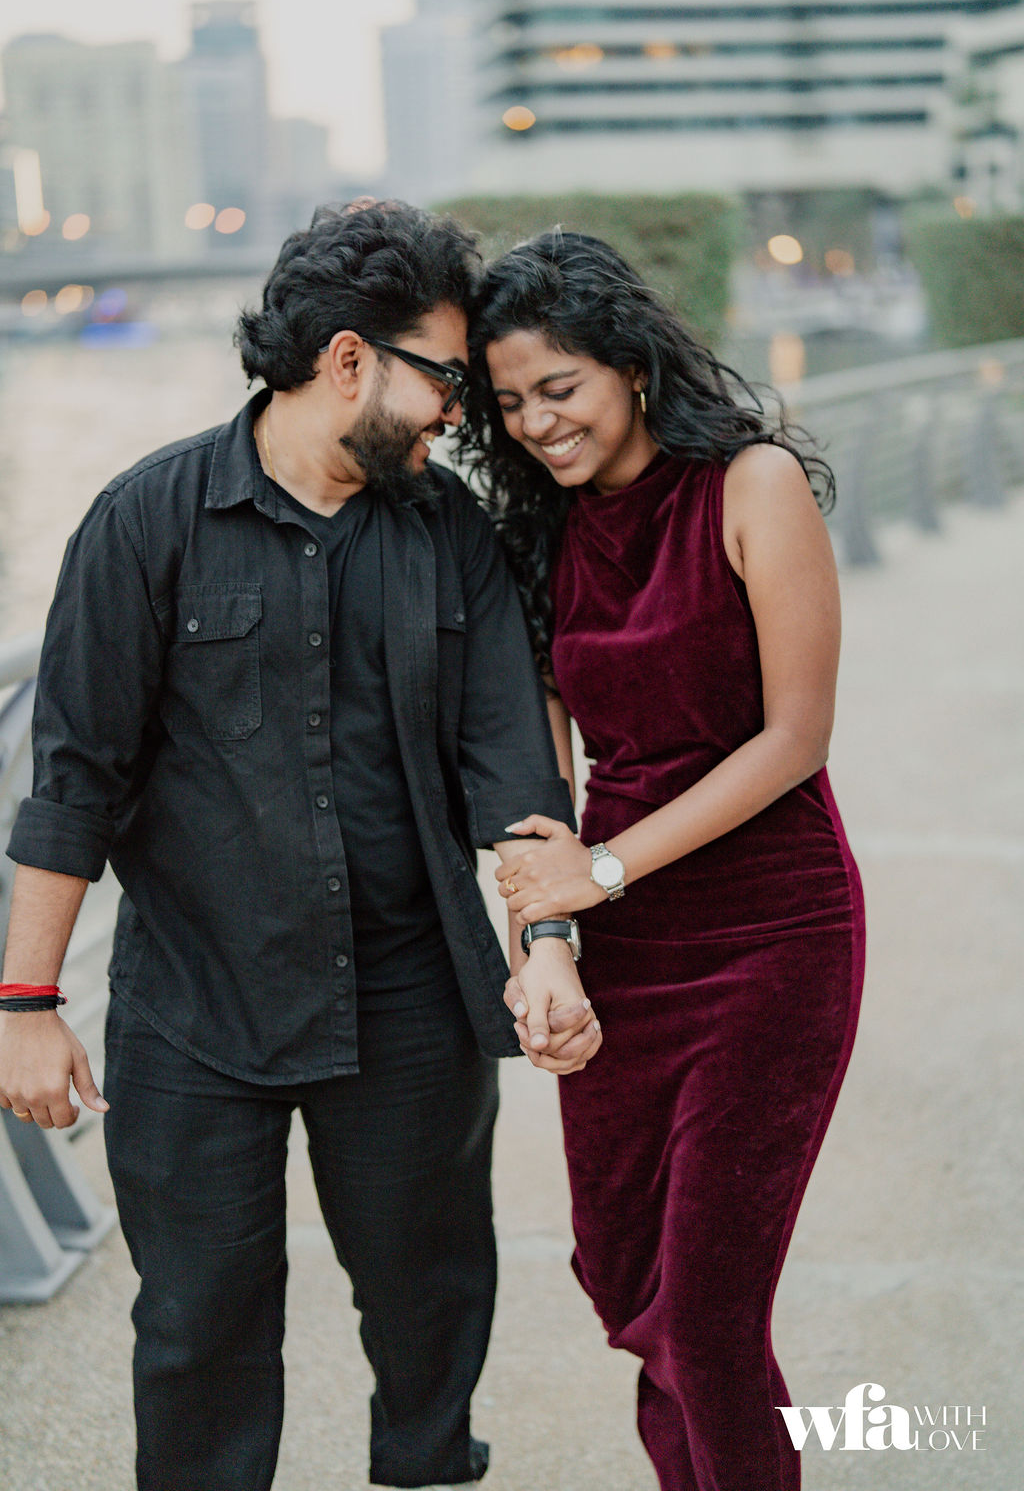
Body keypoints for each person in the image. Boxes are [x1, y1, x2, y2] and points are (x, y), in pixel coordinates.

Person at [0, 201, 600, 1491]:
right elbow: (72, 785)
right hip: (194, 1009)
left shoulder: (451, 533)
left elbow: (514, 770)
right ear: (346, 359)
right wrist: (26, 1004)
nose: (459, 414)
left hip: (411, 1007)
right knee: (196, 1335)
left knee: (432, 1308)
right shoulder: (144, 521)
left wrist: (547, 943)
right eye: (444, 379)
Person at [460, 230, 866, 1491]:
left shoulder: (751, 484)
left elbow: (794, 739)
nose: (537, 423)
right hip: (623, 949)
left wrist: (605, 872)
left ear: (630, 365)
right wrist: (547, 952)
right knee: (628, 1288)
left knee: (705, 1317)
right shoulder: (536, 539)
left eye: (559, 387)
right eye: (510, 403)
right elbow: (540, 800)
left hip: (771, 935)